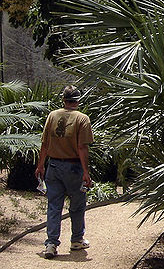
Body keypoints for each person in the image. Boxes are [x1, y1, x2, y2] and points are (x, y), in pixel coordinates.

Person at [34, 85, 94, 259]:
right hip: (74, 167)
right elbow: (82, 147)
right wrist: (86, 172)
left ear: (64, 100)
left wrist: (40, 165)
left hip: (53, 166)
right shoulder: (82, 119)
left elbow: (44, 143)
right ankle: (76, 240)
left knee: (54, 206)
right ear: (78, 100)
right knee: (77, 205)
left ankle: (51, 244)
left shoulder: (52, 116)